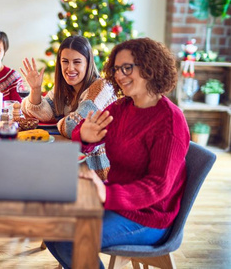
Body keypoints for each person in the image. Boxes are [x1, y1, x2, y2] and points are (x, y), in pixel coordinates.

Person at [45, 38, 191, 269]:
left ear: (149, 67)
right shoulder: (121, 109)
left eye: (127, 68)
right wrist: (85, 136)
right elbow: (88, 136)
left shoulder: (170, 121)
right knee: (47, 223)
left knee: (69, 237)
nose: (120, 75)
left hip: (149, 217)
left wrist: (105, 193)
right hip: (115, 202)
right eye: (116, 69)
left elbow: (158, 186)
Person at [20, 36, 116, 180]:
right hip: (68, 163)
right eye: (65, 62)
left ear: (88, 63)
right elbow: (43, 114)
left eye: (77, 62)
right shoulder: (64, 88)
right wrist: (36, 89)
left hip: (96, 173)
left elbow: (74, 126)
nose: (70, 68)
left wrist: (59, 120)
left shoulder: (101, 87)